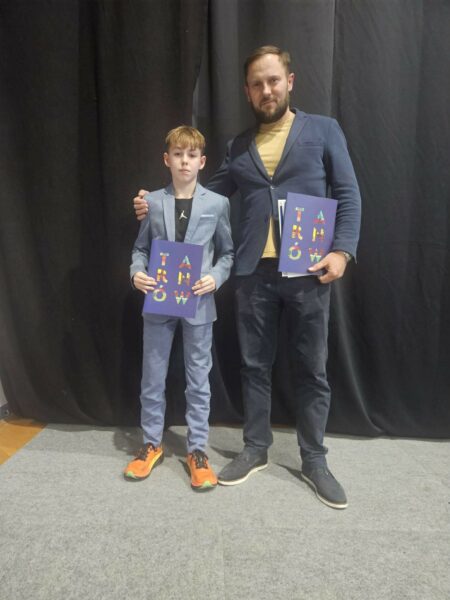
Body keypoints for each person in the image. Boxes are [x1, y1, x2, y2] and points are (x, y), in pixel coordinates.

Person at [133, 46, 361, 509]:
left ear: (289, 81)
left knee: (312, 369)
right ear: (247, 91)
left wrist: (342, 251)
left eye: (273, 80)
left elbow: (348, 192)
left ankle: (314, 460)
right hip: (252, 273)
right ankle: (255, 448)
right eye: (257, 84)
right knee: (254, 366)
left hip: (309, 270)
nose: (266, 90)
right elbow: (203, 194)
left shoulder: (323, 130)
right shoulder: (238, 147)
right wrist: (154, 201)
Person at [125, 125, 233, 492]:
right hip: (159, 301)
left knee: (198, 379)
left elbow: (228, 253)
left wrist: (215, 278)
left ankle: (197, 450)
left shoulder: (217, 204)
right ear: (166, 159)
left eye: (191, 155)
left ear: (202, 162)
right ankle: (151, 443)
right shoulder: (153, 202)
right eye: (178, 154)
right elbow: (140, 249)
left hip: (199, 302)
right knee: (152, 377)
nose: (184, 161)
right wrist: (136, 273)